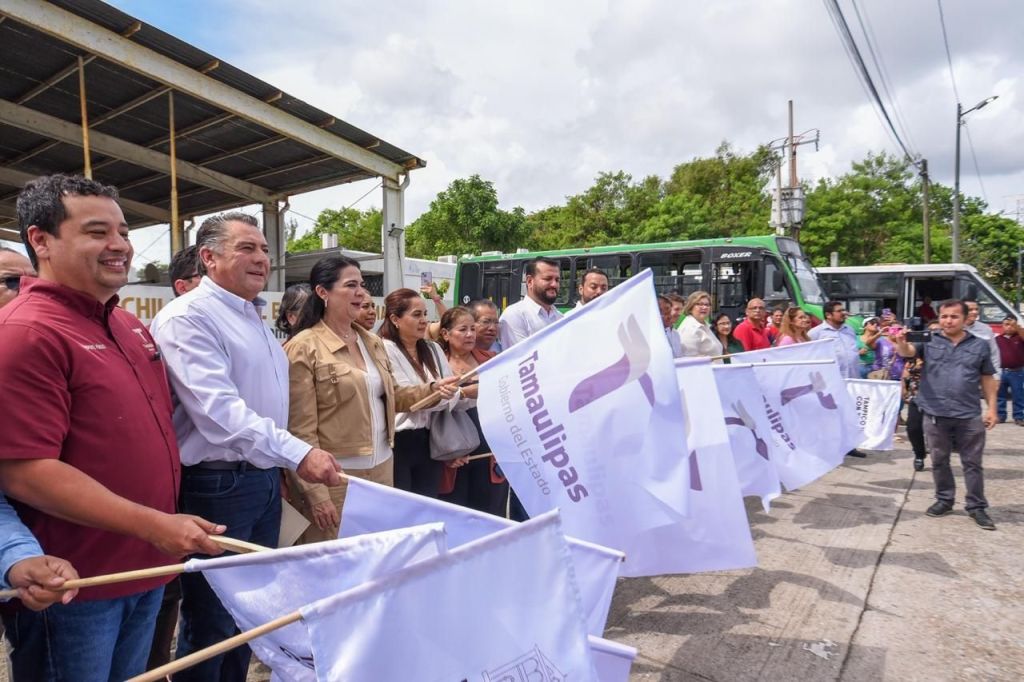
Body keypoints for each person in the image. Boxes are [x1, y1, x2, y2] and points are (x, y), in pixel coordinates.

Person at [0, 174, 225, 680]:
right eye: (98, 232)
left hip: (145, 568)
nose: (119, 246)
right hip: (74, 584)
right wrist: (154, 524)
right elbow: (25, 471)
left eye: (123, 232)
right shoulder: (26, 332)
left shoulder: (129, 326)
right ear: (41, 240)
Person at [151, 212, 342, 681]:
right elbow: (220, 415)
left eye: (264, 249)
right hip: (217, 485)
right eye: (247, 248)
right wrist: (298, 453)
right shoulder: (189, 317)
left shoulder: (249, 314)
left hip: (257, 481)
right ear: (209, 257)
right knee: (213, 621)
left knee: (248, 617)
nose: (262, 259)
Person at [284, 257, 458, 542]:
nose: (361, 293)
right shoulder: (304, 347)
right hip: (337, 479)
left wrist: (433, 389)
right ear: (322, 292)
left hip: (382, 472)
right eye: (350, 285)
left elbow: (392, 397)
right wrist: (316, 495)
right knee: (336, 566)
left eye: (362, 285)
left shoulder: (371, 342)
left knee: (377, 559)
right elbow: (299, 431)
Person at [893, 300, 999, 530]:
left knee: (972, 462)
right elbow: (908, 353)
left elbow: (987, 378)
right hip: (934, 412)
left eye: (953, 317)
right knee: (939, 460)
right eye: (943, 316)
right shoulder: (929, 341)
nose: (947, 321)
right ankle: (944, 500)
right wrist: (900, 342)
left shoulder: (980, 345)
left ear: (965, 319)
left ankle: (976, 506)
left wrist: (992, 408)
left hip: (968, 413)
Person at [379, 288, 464, 497]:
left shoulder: (433, 349)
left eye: (425, 314)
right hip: (398, 442)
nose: (424, 321)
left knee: (427, 507)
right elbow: (404, 395)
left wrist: (441, 395)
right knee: (401, 508)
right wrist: (438, 392)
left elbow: (451, 392)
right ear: (395, 319)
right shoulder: (384, 349)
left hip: (430, 437)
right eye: (416, 315)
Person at [438, 307, 509, 515]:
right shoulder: (436, 362)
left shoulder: (491, 359)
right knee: (455, 514)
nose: (470, 334)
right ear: (445, 334)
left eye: (472, 329)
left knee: (491, 512)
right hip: (452, 448)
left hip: (489, 450)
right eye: (463, 329)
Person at [498, 257, 563, 349]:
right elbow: (520, 357)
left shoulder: (560, 317)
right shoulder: (514, 315)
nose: (554, 284)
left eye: (557, 280)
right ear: (529, 281)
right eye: (548, 279)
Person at [808, 301, 861, 379]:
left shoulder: (849, 329)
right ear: (828, 315)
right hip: (832, 380)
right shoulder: (815, 333)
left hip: (853, 378)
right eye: (839, 311)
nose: (844, 313)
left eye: (843, 310)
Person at [995, 315, 1024, 425]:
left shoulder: (1019, 337)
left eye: (1012, 325)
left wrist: (1018, 328)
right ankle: (1000, 416)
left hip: (1017, 372)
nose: (1009, 327)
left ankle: (1019, 416)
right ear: (1002, 326)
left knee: (1018, 395)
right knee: (1000, 396)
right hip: (1001, 371)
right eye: (1006, 324)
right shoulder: (998, 339)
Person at [902, 355, 928, 472]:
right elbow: (905, 374)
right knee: (913, 428)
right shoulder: (912, 357)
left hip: (939, 399)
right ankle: (919, 454)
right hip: (916, 398)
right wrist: (904, 389)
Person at [677, 290, 722, 358]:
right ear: (690, 307)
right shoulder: (689, 328)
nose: (704, 307)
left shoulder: (705, 326)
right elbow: (689, 359)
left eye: (707, 305)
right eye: (700, 304)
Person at [965, 300, 1001, 375]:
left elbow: (994, 353)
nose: (975, 312)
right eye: (970, 310)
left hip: (982, 375)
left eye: (976, 309)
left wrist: (996, 375)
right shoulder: (956, 329)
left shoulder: (986, 329)